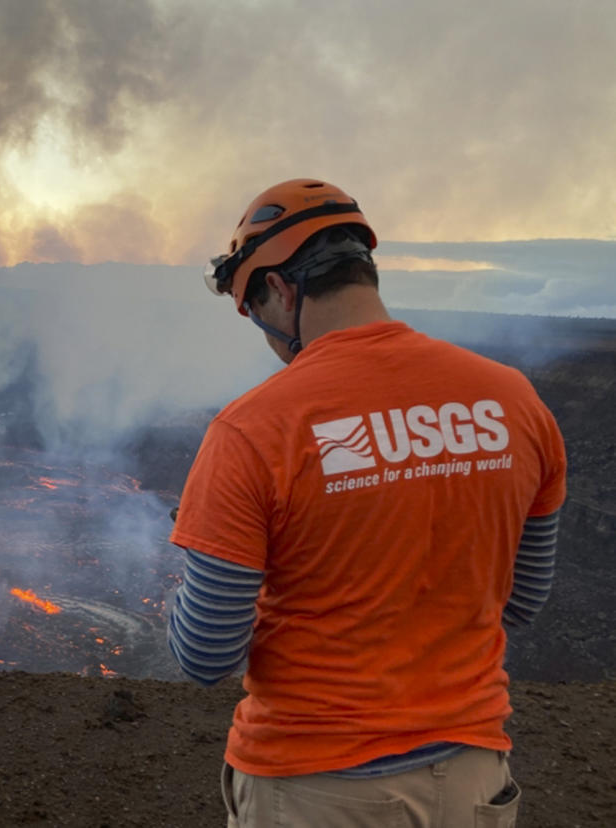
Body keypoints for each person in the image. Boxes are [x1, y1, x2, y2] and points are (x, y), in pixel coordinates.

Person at [166, 178, 567, 827]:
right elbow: (521, 600)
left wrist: (179, 596)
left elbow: (206, 655)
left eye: (253, 310)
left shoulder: (255, 429)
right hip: (472, 782)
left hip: (315, 787)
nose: (263, 333)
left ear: (280, 288)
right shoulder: (515, 402)